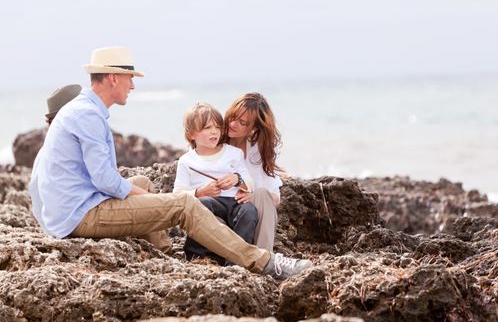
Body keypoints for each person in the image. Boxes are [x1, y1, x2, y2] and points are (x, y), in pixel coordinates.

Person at [28, 46, 311, 280]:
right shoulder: (87, 115)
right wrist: (158, 200)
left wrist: (51, 221)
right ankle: (264, 263)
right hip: (83, 215)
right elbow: (105, 180)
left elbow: (37, 180)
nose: (133, 85)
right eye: (130, 78)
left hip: (68, 213)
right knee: (183, 203)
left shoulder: (79, 110)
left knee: (141, 182)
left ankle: (165, 252)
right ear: (113, 78)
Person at [173, 103, 258, 262]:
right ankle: (194, 256)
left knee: (249, 211)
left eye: (218, 127)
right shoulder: (186, 161)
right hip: (209, 203)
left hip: (234, 202)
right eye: (207, 128)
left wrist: (237, 179)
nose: (214, 131)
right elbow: (177, 194)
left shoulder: (234, 153)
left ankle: (236, 261)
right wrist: (199, 192)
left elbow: (250, 182)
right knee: (202, 204)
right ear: (192, 134)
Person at [222, 93, 283, 252]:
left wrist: (253, 197)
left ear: (253, 128)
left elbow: (275, 199)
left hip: (249, 217)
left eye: (242, 122)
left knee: (263, 194)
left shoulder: (257, 152)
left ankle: (264, 257)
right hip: (220, 214)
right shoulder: (214, 141)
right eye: (233, 117)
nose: (233, 124)